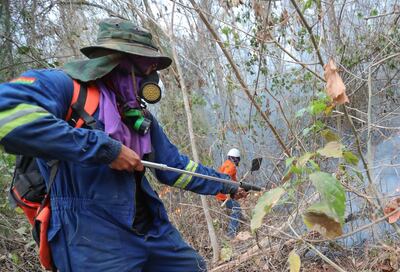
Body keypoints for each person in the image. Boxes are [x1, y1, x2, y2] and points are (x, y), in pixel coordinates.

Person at [0, 18, 243, 271]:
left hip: (152, 232)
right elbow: (6, 112)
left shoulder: (139, 116)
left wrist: (226, 184)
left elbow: (174, 167)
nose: (153, 75)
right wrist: (105, 149)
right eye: (148, 65)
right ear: (120, 60)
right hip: (91, 241)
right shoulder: (64, 87)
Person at [215, 148, 245, 238]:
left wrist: (239, 186)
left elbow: (232, 180)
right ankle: (231, 233)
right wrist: (230, 191)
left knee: (236, 207)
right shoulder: (231, 167)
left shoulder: (226, 164)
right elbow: (225, 178)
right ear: (236, 159)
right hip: (224, 194)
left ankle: (242, 221)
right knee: (236, 209)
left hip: (220, 192)